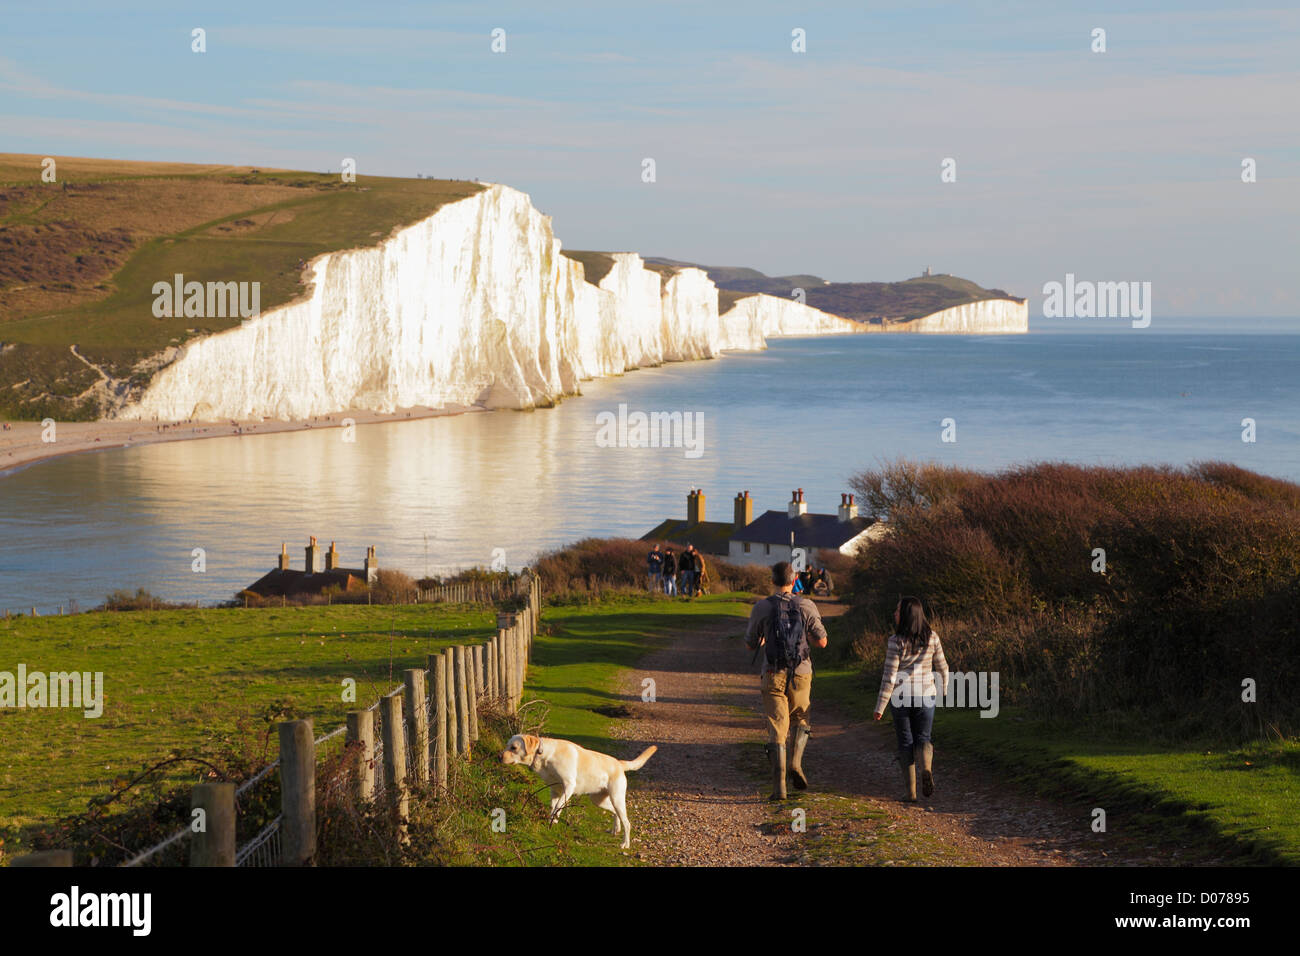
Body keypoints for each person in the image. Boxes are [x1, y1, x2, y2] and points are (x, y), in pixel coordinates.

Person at [744, 561, 829, 800]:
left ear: (772, 580)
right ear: (794, 581)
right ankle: (795, 763)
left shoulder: (761, 607)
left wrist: (765, 639)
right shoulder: (806, 604)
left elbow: (750, 644)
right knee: (801, 717)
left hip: (772, 672)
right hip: (801, 671)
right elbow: (822, 642)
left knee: (777, 726)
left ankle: (779, 787)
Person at [873, 596, 949, 803]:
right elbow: (943, 667)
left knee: (905, 742)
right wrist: (943, 691)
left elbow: (889, 677)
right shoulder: (932, 638)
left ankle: (911, 793)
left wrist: (880, 706)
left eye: (897, 611)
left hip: (900, 698)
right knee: (923, 737)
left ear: (906, 615)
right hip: (926, 695)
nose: (894, 614)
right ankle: (926, 768)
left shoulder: (895, 641)